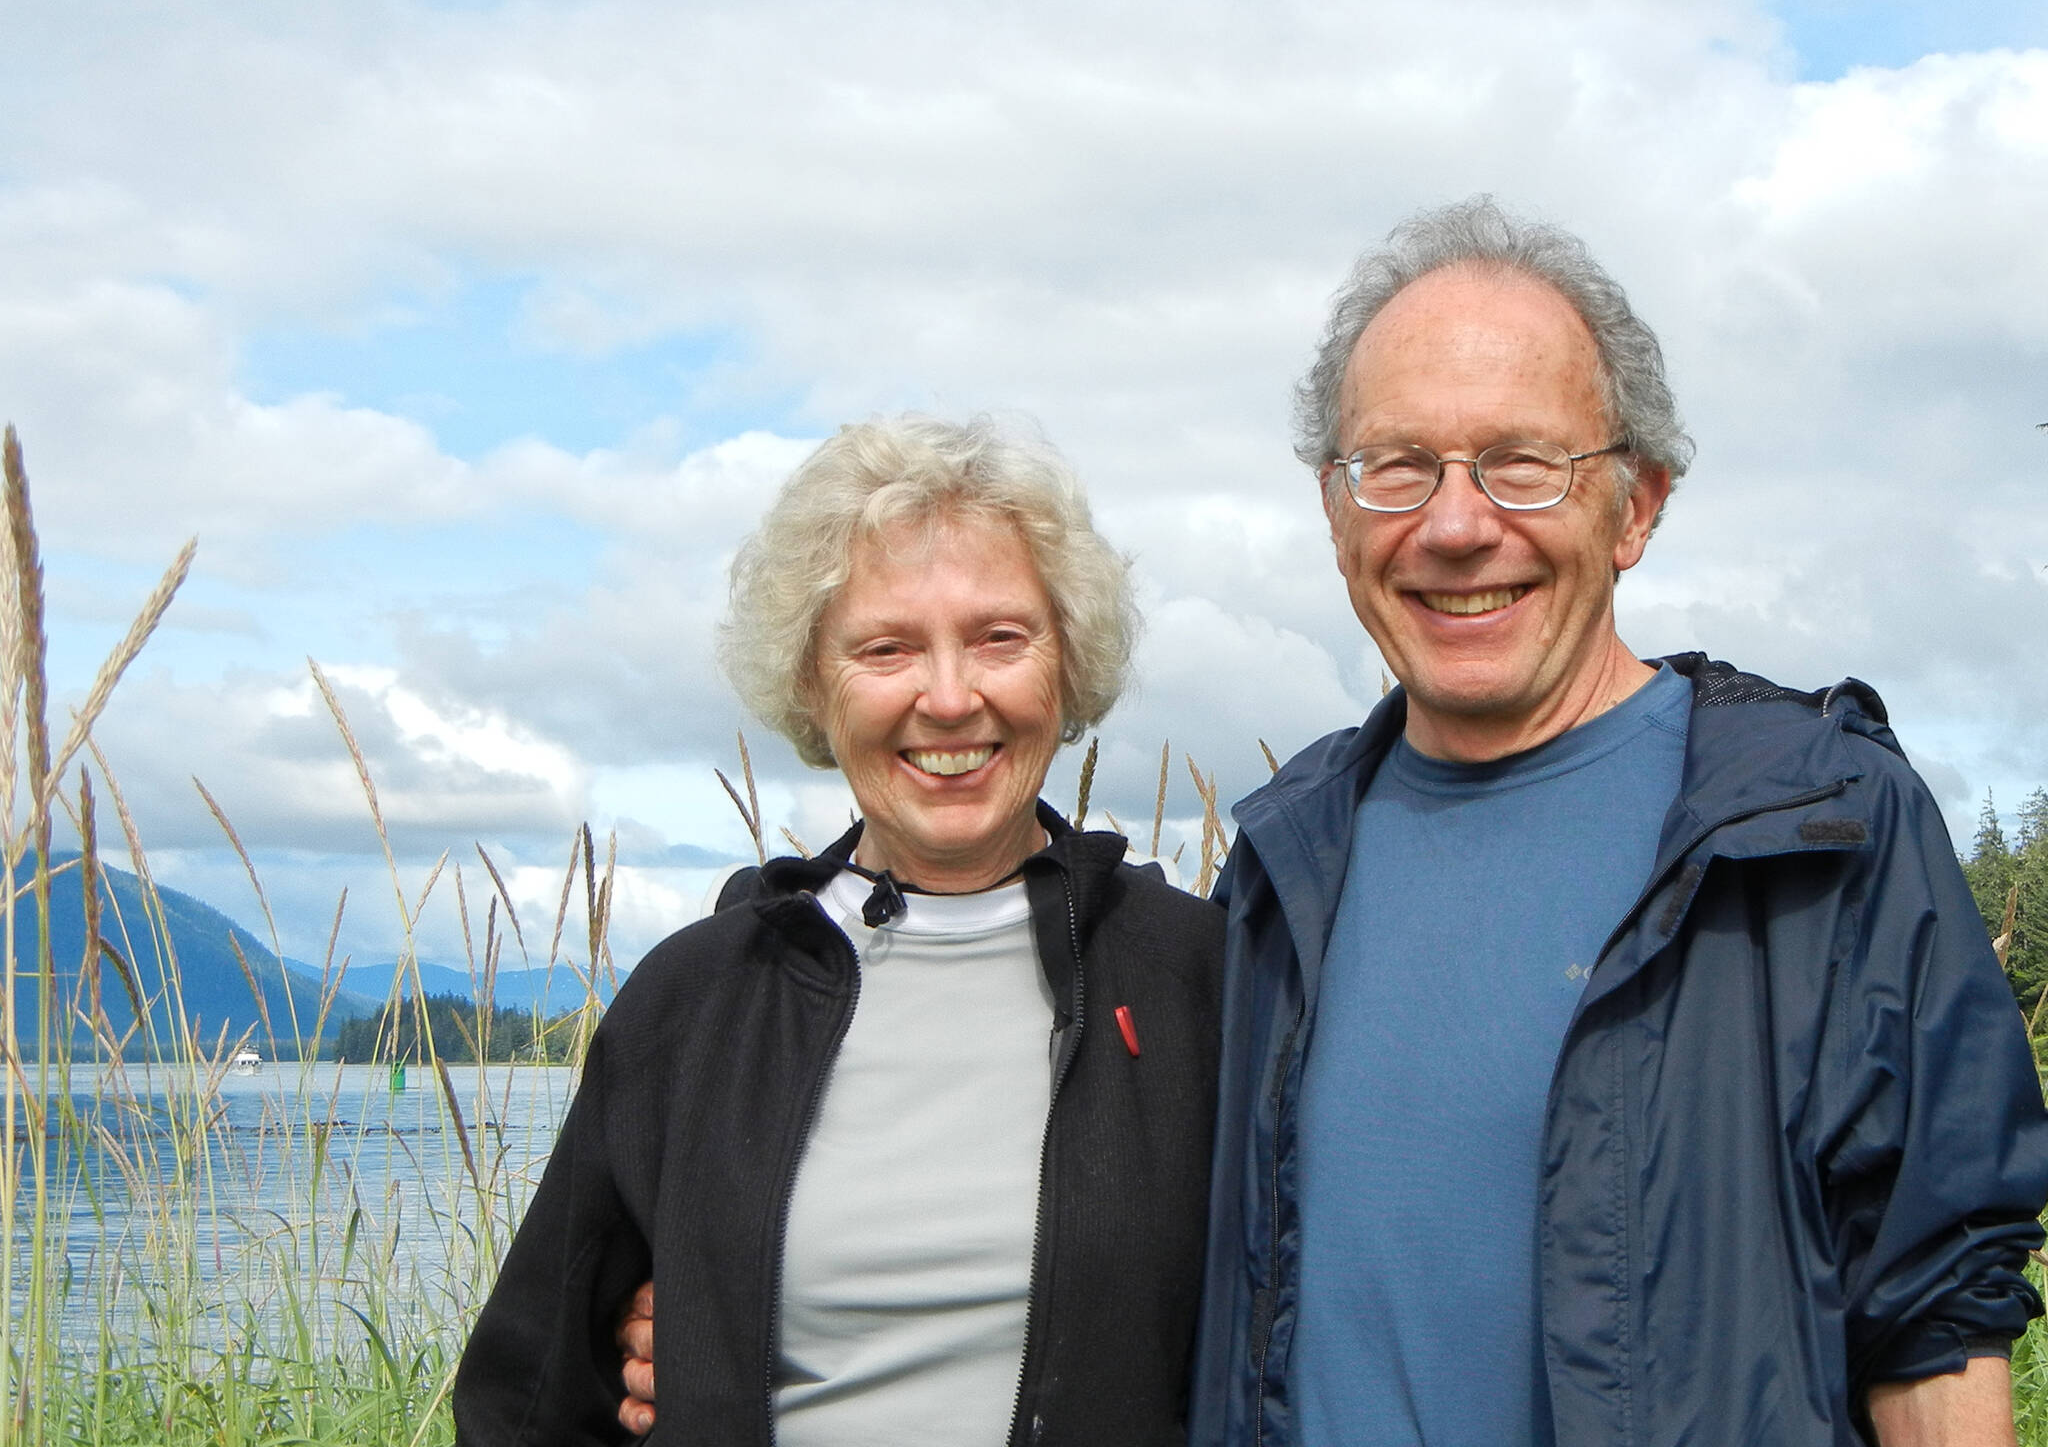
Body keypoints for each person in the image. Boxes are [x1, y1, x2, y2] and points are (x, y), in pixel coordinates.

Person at [1186, 197, 2048, 1446]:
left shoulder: (1816, 830)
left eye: (1521, 464)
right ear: (1335, 510)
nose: (1455, 524)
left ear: (1634, 506)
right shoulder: (1280, 861)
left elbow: (1931, 1304)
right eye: (1398, 466)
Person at [453, 415, 1223, 1446]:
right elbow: (537, 1395)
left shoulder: (1197, 979)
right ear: (812, 683)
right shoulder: (698, 1002)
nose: (948, 698)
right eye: (885, 647)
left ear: (1067, 664)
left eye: (999, 637)